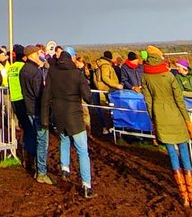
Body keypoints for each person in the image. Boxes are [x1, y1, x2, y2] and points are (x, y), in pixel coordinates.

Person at [141, 45, 192, 209]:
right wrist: (187, 121)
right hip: (177, 116)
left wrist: (154, 121)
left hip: (160, 117)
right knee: (184, 153)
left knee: (172, 155)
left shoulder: (146, 77)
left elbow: (148, 102)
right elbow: (180, 100)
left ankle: (184, 196)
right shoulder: (169, 75)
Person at [41, 46, 94, 197]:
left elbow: (46, 96)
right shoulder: (77, 74)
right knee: (82, 150)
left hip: (58, 116)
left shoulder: (52, 73)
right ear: (72, 58)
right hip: (75, 117)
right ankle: (86, 185)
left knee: (64, 141)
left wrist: (45, 118)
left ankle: (64, 169)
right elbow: (88, 96)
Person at [20, 44, 50, 184]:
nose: (40, 55)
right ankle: (42, 172)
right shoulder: (35, 72)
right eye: (37, 53)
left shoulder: (23, 70)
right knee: (42, 140)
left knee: (33, 136)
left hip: (29, 108)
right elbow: (39, 93)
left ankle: (30, 163)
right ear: (32, 55)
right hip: (37, 110)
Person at [92, 50, 123, 135]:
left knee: (104, 110)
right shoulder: (105, 65)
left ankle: (106, 127)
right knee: (109, 110)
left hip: (101, 89)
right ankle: (109, 127)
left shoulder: (100, 64)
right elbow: (105, 78)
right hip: (107, 90)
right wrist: (116, 85)